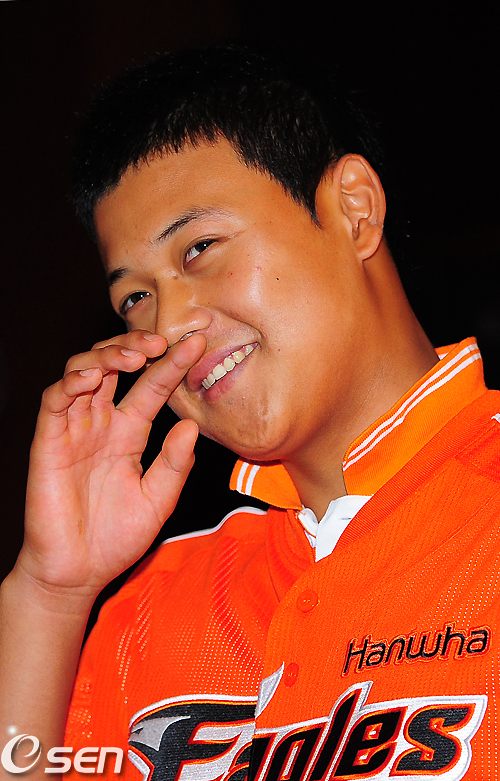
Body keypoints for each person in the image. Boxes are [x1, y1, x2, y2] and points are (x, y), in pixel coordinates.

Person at [1, 43, 499, 780]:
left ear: (354, 209)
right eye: (135, 297)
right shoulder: (151, 613)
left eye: (200, 248)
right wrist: (50, 595)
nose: (169, 324)